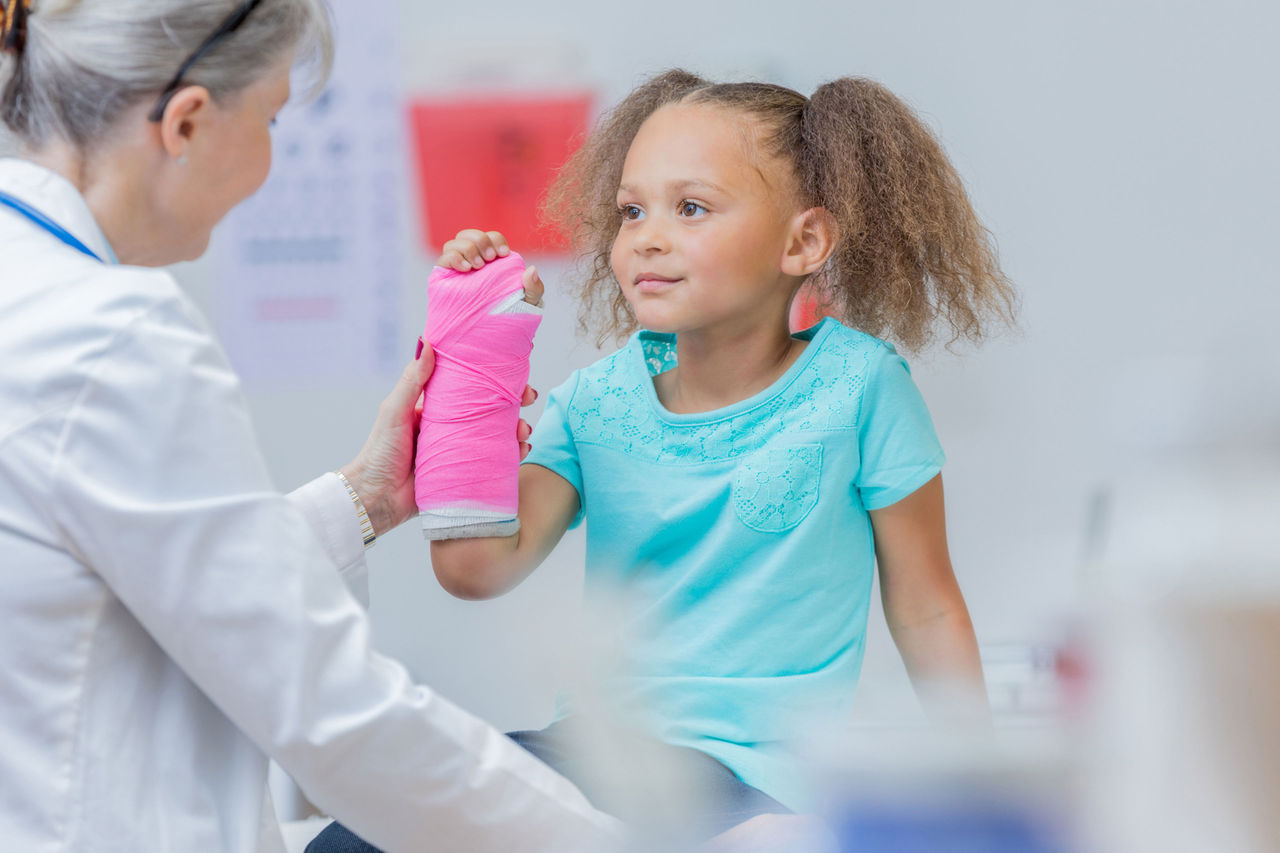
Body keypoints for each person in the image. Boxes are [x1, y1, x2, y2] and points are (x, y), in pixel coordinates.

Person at [314, 68, 1018, 850]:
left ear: (804, 241)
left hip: (760, 775)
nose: (646, 236)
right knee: (353, 838)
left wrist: (981, 789)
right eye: (630, 210)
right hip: (599, 754)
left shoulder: (861, 388)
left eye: (691, 208)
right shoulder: (597, 403)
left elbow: (926, 605)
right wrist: (474, 353)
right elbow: (474, 568)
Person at [0, 1, 625, 850]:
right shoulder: (117, 336)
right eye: (269, 119)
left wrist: (364, 497)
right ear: (187, 122)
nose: (268, 161)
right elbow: (335, 709)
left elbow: (119, 577)